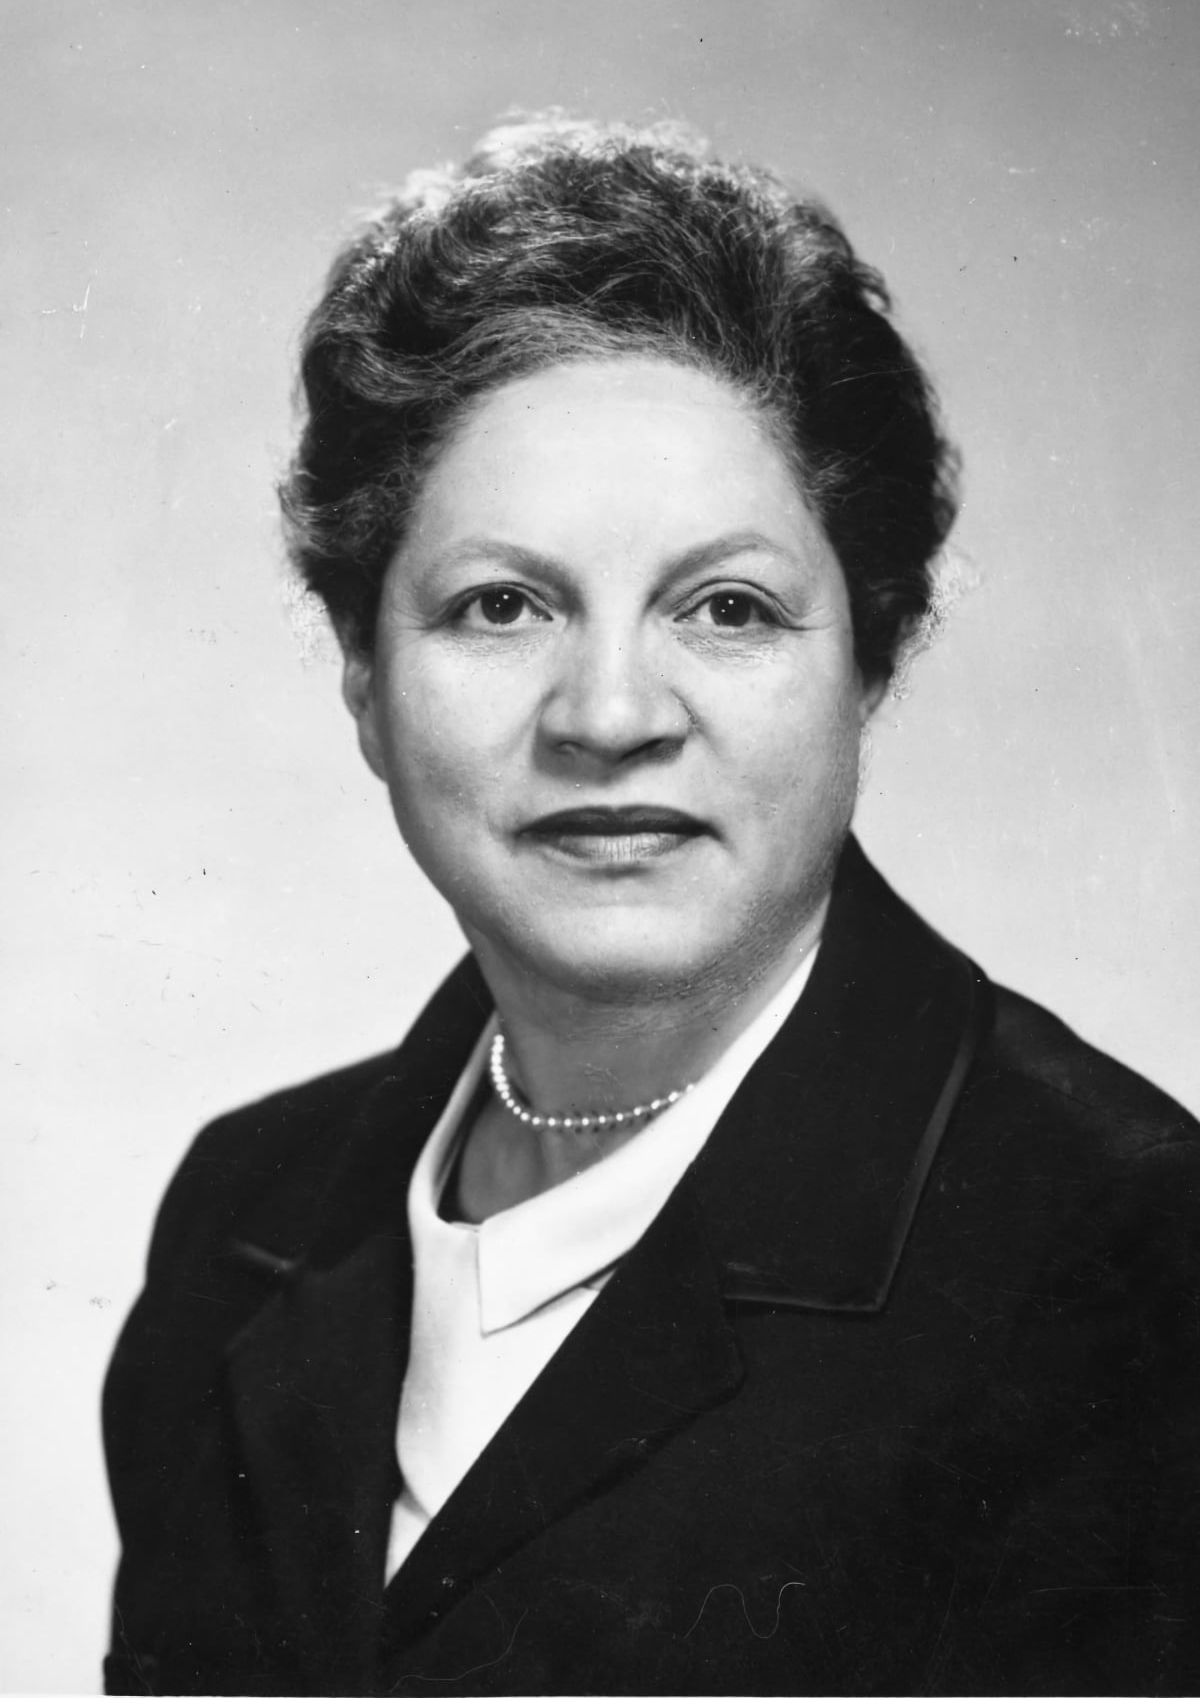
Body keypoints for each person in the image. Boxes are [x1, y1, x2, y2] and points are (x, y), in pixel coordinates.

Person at [102, 116, 1200, 1697]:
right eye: (501, 604)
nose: (609, 713)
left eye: (727, 608)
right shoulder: (248, 1217)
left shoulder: (1121, 1265)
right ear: (361, 677)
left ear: (871, 659)